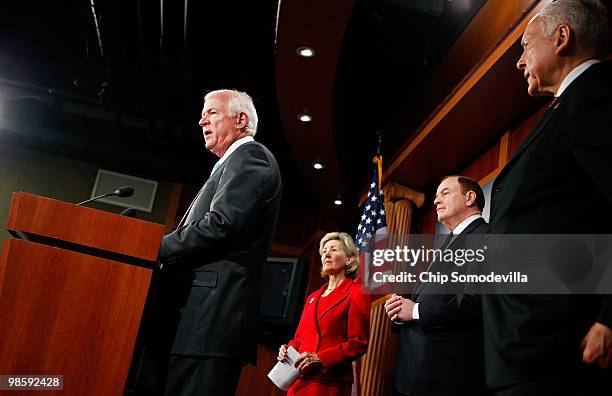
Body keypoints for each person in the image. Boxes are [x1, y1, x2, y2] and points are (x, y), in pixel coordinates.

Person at [482, 0, 612, 394]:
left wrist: (610, 319)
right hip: (527, 347)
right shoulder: (567, 106)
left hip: (559, 348)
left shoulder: (596, 95)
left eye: (525, 45)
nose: (519, 62)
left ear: (561, 37)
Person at [155, 89, 282, 395]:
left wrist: (155, 246)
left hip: (212, 318)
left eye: (211, 112)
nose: (201, 121)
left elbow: (221, 224)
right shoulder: (231, 163)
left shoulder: (251, 158)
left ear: (240, 120)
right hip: (200, 319)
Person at [384, 176, 490, 396]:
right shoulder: (449, 242)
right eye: (435, 195)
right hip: (416, 371)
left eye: (445, 193)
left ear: (469, 197)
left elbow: (477, 301)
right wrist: (401, 308)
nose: (435, 201)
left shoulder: (486, 236)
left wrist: (414, 310)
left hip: (447, 373)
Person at [277, 232, 370, 396]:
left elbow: (358, 343)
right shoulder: (312, 297)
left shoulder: (356, 292)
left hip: (328, 382)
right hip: (298, 381)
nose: (327, 254)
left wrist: (321, 358)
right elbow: (299, 339)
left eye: (334, 250)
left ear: (348, 259)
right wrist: (287, 350)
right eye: (324, 250)